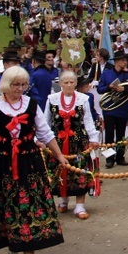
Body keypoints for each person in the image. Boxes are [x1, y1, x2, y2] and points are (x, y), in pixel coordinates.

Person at [0, 66, 69, 254]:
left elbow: (45, 133)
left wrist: (59, 156)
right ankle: (13, 247)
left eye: (23, 84)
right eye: (16, 84)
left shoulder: (31, 104)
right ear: (7, 84)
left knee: (28, 205)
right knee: (6, 205)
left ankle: (29, 253)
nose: (20, 88)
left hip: (28, 163)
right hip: (1, 163)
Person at [46, 71, 100, 219]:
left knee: (79, 172)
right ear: (60, 84)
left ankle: (80, 205)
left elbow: (88, 120)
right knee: (59, 171)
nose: (69, 85)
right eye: (66, 82)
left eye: (71, 82)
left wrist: (93, 138)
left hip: (78, 143)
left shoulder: (83, 99)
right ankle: (63, 200)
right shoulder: (52, 99)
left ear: (76, 83)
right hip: (57, 143)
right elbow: (46, 121)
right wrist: (42, 140)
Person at [97, 51, 128, 168]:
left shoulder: (127, 75)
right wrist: (109, 87)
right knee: (109, 134)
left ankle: (120, 157)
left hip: (122, 108)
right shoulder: (106, 74)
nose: (125, 62)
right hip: (109, 109)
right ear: (117, 61)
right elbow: (100, 89)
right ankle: (109, 158)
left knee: (121, 134)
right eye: (123, 60)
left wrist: (124, 90)